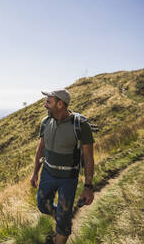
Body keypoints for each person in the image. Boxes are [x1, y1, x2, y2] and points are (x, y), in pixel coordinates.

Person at [30, 89, 95, 244]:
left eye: (48, 102)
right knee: (42, 205)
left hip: (68, 179)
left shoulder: (80, 126)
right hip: (47, 174)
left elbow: (88, 157)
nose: (45, 105)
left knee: (64, 217)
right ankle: (60, 218)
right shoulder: (46, 122)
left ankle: (62, 226)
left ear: (60, 104)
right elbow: (41, 149)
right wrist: (35, 173)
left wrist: (88, 186)